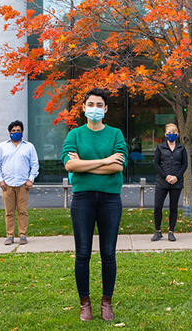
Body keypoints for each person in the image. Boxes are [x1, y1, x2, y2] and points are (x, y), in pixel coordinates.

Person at [61, 88, 127, 322]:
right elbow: (70, 166)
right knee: (82, 254)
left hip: (110, 200)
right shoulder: (74, 135)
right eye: (91, 104)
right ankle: (85, 304)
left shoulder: (116, 135)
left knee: (108, 253)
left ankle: (106, 302)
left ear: (106, 109)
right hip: (83, 200)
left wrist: (85, 164)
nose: (95, 109)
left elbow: (118, 167)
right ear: (83, 107)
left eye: (99, 105)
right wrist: (104, 160)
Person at [0, 120, 39, 245]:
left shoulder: (29, 146)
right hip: (7, 185)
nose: (15, 133)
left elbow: (34, 164)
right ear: (9, 132)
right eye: (13, 131)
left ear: (22, 132)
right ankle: (10, 235)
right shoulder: (2, 146)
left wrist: (31, 179)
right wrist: (0, 180)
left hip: (23, 184)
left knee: (23, 211)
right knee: (9, 212)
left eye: (18, 130)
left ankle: (22, 234)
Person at [152, 123, 187, 242]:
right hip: (162, 182)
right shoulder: (160, 147)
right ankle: (158, 231)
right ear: (165, 134)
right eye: (169, 133)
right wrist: (165, 176)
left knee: (173, 207)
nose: (171, 135)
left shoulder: (181, 148)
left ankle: (171, 231)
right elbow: (156, 164)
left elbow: (184, 164)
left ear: (177, 134)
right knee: (157, 207)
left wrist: (176, 177)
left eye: (173, 133)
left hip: (176, 183)